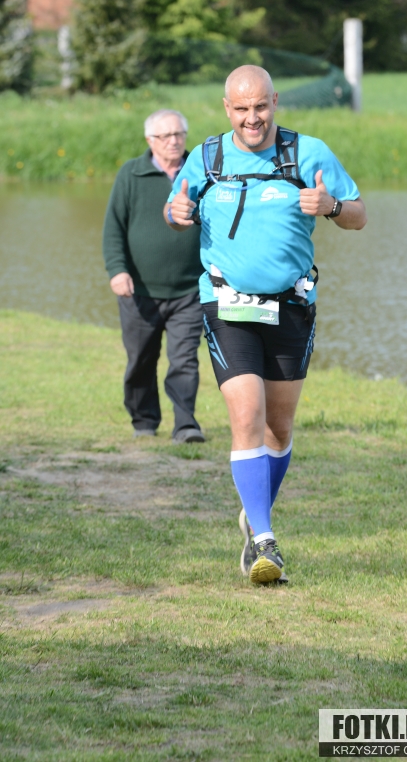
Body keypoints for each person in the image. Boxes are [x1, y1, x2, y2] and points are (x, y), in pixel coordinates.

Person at [165, 66, 366, 582]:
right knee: (247, 416)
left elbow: (359, 214)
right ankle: (265, 542)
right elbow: (176, 208)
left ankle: (254, 514)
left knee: (279, 428)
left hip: (291, 306)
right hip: (226, 305)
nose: (252, 118)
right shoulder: (206, 157)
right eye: (241, 109)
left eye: (260, 106)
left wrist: (331, 206)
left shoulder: (308, 153)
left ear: (274, 101)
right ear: (226, 108)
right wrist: (177, 212)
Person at [103, 109, 205, 443]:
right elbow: (113, 229)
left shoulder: (201, 172)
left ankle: (186, 425)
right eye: (165, 136)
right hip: (139, 291)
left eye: (179, 134)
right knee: (141, 360)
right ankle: (144, 421)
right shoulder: (131, 174)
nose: (174, 141)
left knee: (184, 360)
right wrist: (117, 271)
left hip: (190, 290)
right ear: (150, 140)